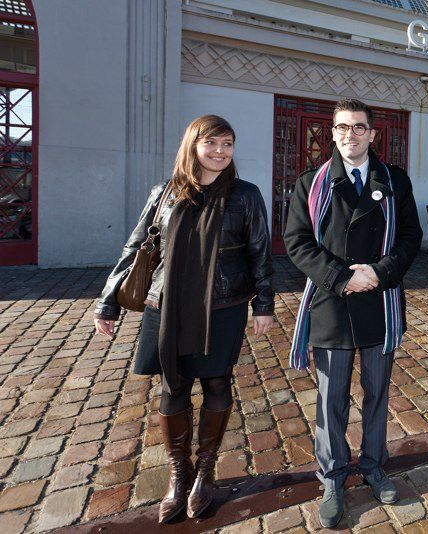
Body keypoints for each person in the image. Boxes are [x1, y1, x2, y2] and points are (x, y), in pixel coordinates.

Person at [94, 115, 275, 523]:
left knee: (216, 382)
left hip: (223, 307)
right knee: (173, 384)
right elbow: (136, 247)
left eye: (228, 144)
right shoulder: (165, 193)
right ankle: (180, 472)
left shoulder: (245, 196)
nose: (220, 152)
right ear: (192, 146)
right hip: (167, 306)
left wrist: (263, 304)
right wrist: (108, 302)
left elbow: (260, 254)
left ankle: (205, 471)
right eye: (211, 143)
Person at [283, 98, 422, 528]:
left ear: (372, 134)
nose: (350, 134)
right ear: (333, 132)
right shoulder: (312, 183)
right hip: (331, 304)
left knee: (378, 395)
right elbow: (297, 243)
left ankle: (375, 465)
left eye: (359, 127)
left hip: (379, 302)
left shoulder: (394, 180)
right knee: (331, 400)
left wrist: (379, 273)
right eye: (342, 127)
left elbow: (411, 235)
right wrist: (342, 277)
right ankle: (333, 475)